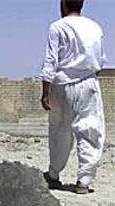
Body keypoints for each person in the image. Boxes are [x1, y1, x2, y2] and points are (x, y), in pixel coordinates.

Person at [39, 0, 106, 194]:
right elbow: (100, 60)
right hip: (88, 82)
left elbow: (51, 60)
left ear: (64, 4)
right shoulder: (95, 27)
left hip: (61, 84)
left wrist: (45, 91)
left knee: (59, 131)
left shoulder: (57, 27)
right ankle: (84, 180)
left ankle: (53, 174)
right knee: (90, 130)